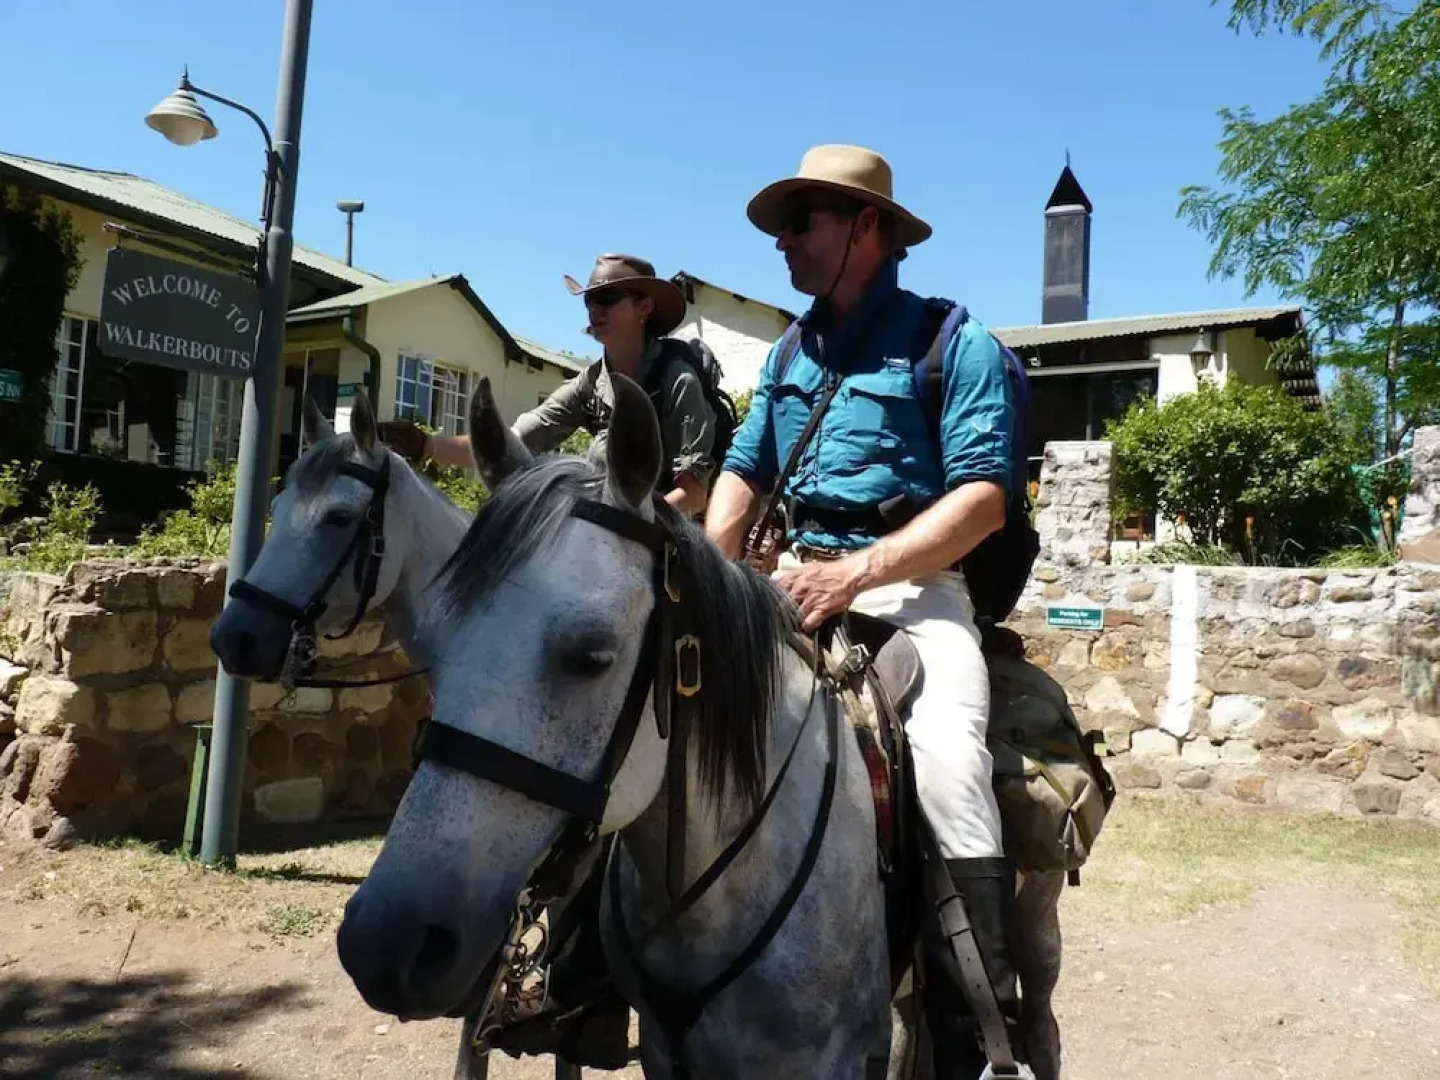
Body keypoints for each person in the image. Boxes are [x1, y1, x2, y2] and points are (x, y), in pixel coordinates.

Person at [705, 144, 1024, 1078]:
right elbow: (743, 471)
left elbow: (983, 500)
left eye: (802, 223)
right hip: (784, 582)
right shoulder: (787, 351)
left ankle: (980, 1035)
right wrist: (712, 571)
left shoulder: (954, 344)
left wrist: (853, 574)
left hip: (913, 589)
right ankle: (597, 966)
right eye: (783, 226)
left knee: (951, 772)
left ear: (868, 228)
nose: (785, 243)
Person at [379, 254, 717, 516]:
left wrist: (624, 530)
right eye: (589, 301)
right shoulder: (590, 384)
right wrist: (425, 444)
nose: (595, 309)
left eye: (608, 298)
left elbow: (694, 496)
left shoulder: (677, 380)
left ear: (644, 307)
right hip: (607, 539)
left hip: (669, 549)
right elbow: (510, 443)